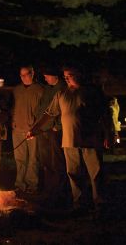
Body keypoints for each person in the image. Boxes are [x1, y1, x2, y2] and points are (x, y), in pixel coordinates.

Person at [28, 66, 112, 213]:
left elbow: (104, 114)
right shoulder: (61, 94)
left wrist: (107, 134)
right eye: (65, 76)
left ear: (79, 74)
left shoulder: (91, 92)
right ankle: (78, 204)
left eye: (70, 75)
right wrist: (36, 129)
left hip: (89, 138)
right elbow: (49, 113)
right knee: (73, 173)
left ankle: (100, 203)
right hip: (69, 139)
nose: (67, 78)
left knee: (95, 172)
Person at [34, 66, 68, 207]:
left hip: (54, 131)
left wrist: (58, 126)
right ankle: (49, 191)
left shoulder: (62, 89)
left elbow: (64, 110)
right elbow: (43, 108)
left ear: (55, 76)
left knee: (57, 162)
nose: (45, 78)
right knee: (45, 161)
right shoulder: (47, 89)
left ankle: (60, 192)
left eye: (47, 75)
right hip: (43, 130)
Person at [11, 66, 44, 194]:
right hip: (17, 129)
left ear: (32, 73)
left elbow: (42, 111)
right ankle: (20, 183)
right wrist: (13, 120)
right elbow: (14, 106)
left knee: (33, 159)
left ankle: (32, 184)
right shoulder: (17, 90)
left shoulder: (40, 90)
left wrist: (36, 127)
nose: (23, 77)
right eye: (21, 75)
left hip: (32, 129)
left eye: (26, 74)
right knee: (19, 158)